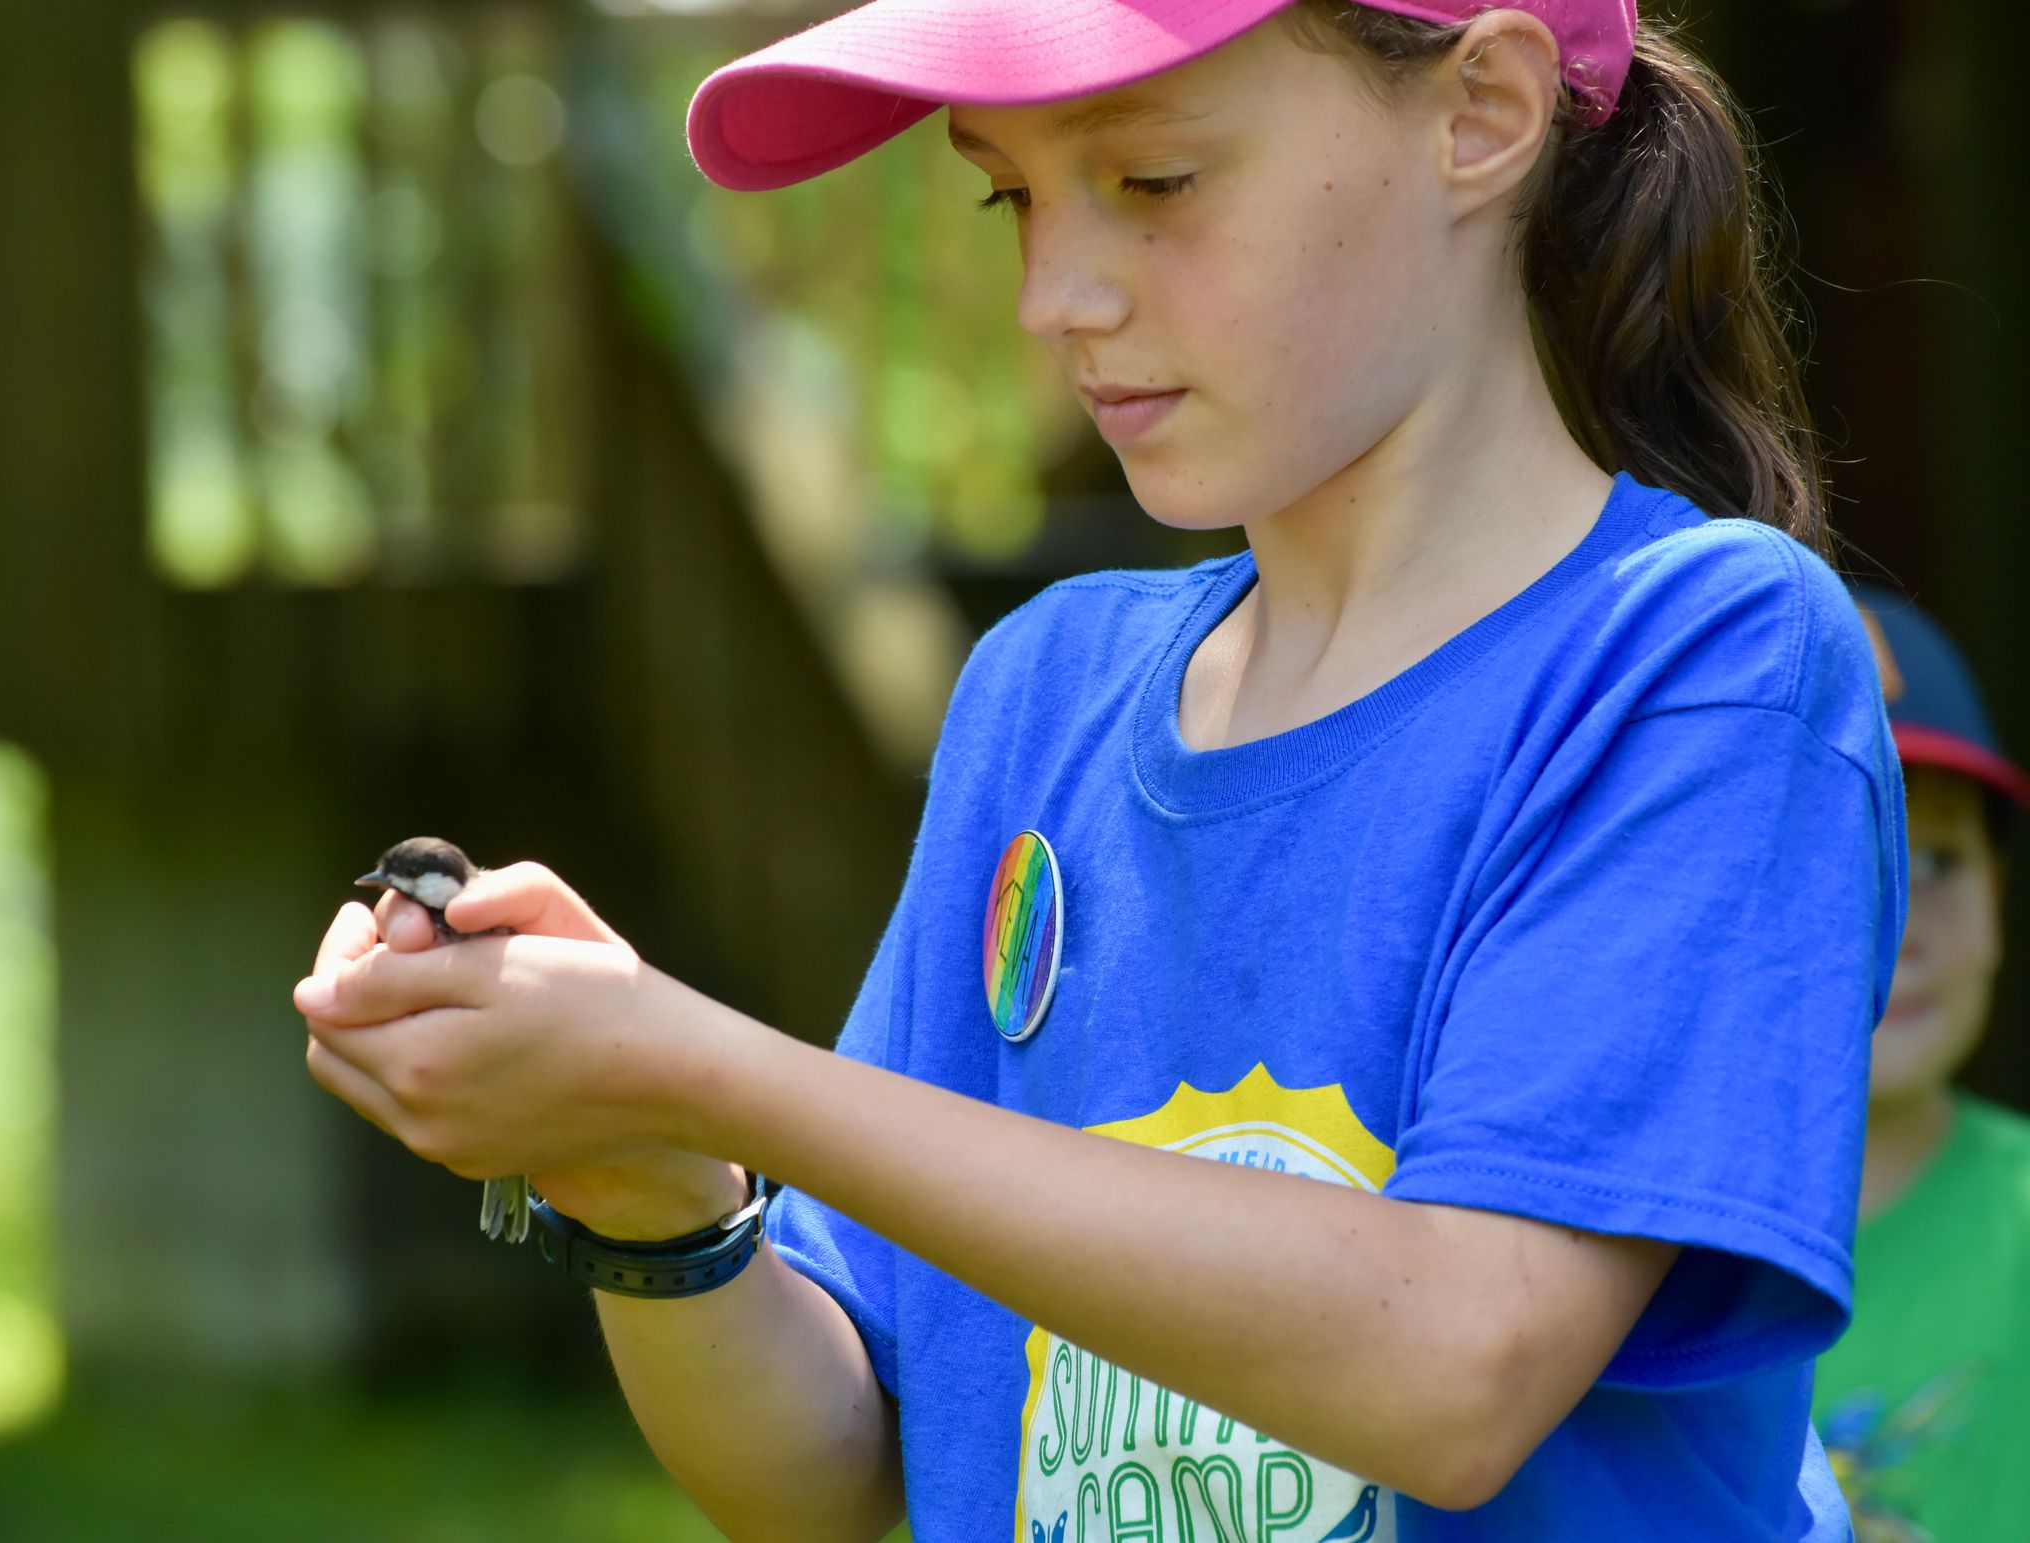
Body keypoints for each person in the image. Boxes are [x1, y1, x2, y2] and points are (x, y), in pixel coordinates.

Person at [293, 2, 1907, 1537]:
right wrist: (650, 1182)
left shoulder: (1699, 656)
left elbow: (1456, 1366)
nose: (1052, 296)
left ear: (1476, 113)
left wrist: (703, 1063)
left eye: (1153, 181)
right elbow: (823, 1471)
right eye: (1009, 197)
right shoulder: (1046, 689)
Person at [1812, 588, 2030, 1543]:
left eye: (1935, 860)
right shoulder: (1627, 1247)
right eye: (1838, 866)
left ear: (1997, 890)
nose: (1898, 931)